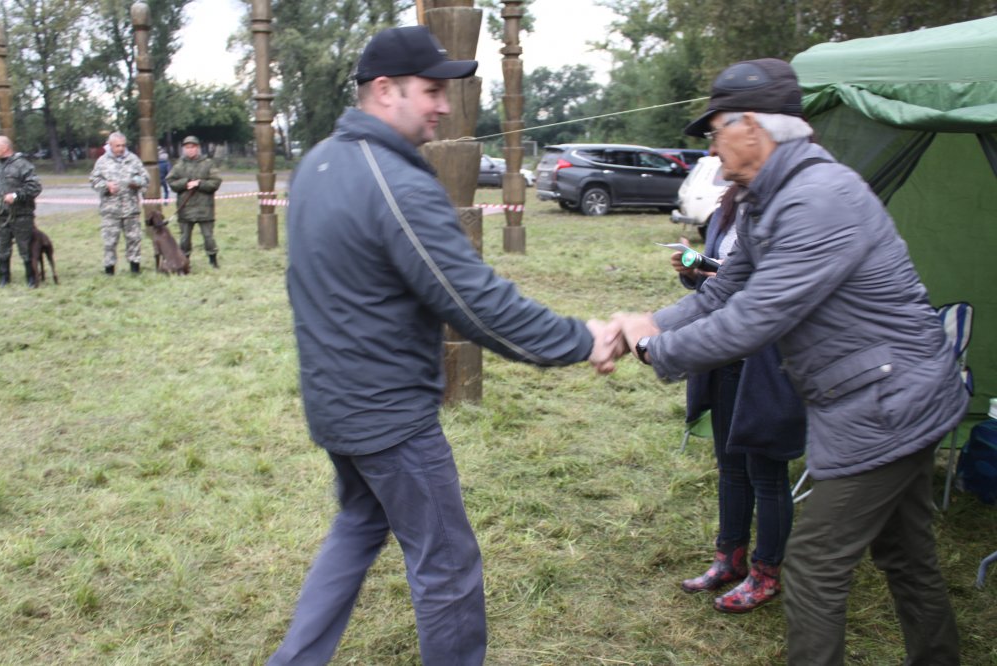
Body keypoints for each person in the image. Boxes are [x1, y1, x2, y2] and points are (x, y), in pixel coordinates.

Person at [270, 25, 616, 666]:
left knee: (358, 526)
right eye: (430, 91)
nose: (443, 107)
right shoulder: (394, 183)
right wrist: (581, 339)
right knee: (447, 567)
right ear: (385, 90)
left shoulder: (316, 163)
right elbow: (475, 303)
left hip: (335, 406)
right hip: (389, 418)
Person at [612, 58, 964, 665]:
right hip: (883, 395)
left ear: (752, 126)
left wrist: (655, 350)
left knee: (815, 567)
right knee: (907, 557)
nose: (711, 147)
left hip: (889, 404)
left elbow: (757, 317)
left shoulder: (819, 197)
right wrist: (647, 324)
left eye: (716, 130)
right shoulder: (766, 199)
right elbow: (724, 290)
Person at [672, 185, 805, 613]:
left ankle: (766, 574)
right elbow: (716, 283)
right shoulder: (727, 210)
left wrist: (725, 280)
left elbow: (781, 289)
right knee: (730, 466)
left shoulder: (791, 209)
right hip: (724, 356)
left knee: (766, 471)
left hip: (768, 362)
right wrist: (692, 270)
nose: (719, 158)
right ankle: (728, 559)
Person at [89, 131, 149, 275]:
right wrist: (106, 185)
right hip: (110, 210)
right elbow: (94, 180)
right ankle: (109, 270)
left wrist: (137, 182)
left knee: (134, 239)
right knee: (109, 241)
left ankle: (135, 268)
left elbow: (145, 178)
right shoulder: (102, 161)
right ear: (110, 145)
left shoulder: (133, 159)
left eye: (123, 145)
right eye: (117, 146)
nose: (121, 148)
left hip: (131, 209)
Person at [166, 136, 222, 268]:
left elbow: (216, 182)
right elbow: (171, 182)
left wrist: (199, 183)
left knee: (208, 237)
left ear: (198, 148)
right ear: (184, 149)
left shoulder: (208, 164)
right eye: (187, 147)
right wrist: (185, 183)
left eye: (193, 147)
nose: (190, 150)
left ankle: (213, 261)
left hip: (205, 208)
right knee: (184, 239)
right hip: (185, 208)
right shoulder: (179, 166)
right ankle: (184, 262)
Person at [0, 136, 42, 287]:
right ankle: (4, 278)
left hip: (21, 215)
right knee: (1, 247)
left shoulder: (22, 165)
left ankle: (31, 277)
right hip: (0, 216)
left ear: (5, 148)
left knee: (26, 247)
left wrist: (16, 196)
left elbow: (35, 187)